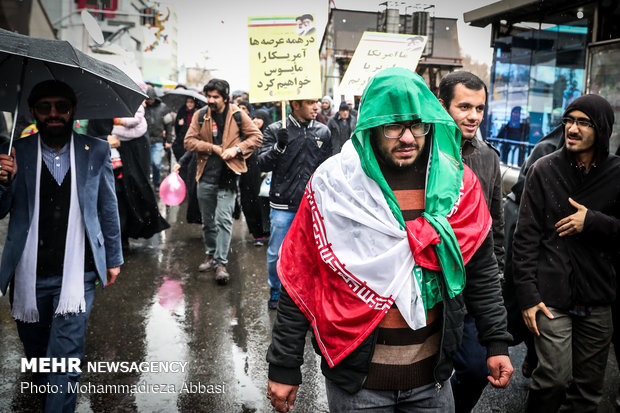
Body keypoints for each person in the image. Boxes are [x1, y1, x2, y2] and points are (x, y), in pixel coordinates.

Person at [266, 68, 513, 412]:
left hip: (432, 382)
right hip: (357, 386)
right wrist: (284, 365)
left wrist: (496, 341)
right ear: (370, 125)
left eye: (417, 124)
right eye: (393, 125)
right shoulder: (335, 186)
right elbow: (300, 277)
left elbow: (482, 270)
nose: (408, 137)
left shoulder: (457, 185)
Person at [0, 80, 123, 412]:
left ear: (73, 111)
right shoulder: (17, 153)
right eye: (45, 107)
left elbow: (107, 207)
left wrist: (113, 256)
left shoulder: (96, 149)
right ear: (33, 112)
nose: (53, 114)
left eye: (61, 107)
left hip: (78, 273)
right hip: (29, 275)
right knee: (38, 354)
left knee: (65, 359)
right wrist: (2, 181)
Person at [513, 94, 620, 412]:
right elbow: (525, 239)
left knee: (587, 391)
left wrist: (593, 221)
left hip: (598, 294)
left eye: (583, 123)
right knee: (553, 379)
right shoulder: (544, 170)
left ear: (601, 128)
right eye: (569, 121)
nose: (572, 129)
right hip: (551, 296)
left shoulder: (616, 174)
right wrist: (528, 297)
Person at [438, 71, 505, 413]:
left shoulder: (488, 158)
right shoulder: (421, 151)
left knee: (477, 369)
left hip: (471, 286)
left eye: (480, 108)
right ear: (442, 105)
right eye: (464, 106)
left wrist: (497, 280)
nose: (474, 116)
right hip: (429, 286)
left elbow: (495, 229)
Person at [184, 78, 262, 284]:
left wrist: (236, 149)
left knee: (224, 220)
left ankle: (221, 263)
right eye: (208, 96)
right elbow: (188, 141)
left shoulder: (237, 114)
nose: (211, 100)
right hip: (205, 176)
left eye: (215, 97)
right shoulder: (200, 115)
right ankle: (210, 254)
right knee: (208, 222)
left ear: (225, 98)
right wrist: (214, 148)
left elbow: (256, 137)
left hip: (228, 177)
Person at [258, 97, 331, 309]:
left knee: (311, 254)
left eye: (317, 102)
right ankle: (276, 290)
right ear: (295, 105)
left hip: (312, 204)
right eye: (311, 103)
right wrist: (279, 147)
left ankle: (305, 294)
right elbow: (262, 162)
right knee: (276, 253)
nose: (317, 107)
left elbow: (327, 168)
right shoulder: (275, 129)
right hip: (282, 205)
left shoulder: (323, 131)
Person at [144, 86, 174, 188]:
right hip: (145, 140)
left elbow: (169, 125)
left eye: (151, 99)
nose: (149, 101)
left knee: (156, 163)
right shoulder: (143, 108)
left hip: (158, 140)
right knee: (146, 165)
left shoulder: (163, 107)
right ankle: (147, 183)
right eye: (148, 99)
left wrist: (168, 140)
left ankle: (156, 182)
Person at [172, 96, 198, 162]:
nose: (189, 104)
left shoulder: (198, 112)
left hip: (194, 138)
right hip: (182, 139)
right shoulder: (182, 111)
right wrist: (179, 124)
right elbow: (176, 128)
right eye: (187, 102)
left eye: (191, 102)